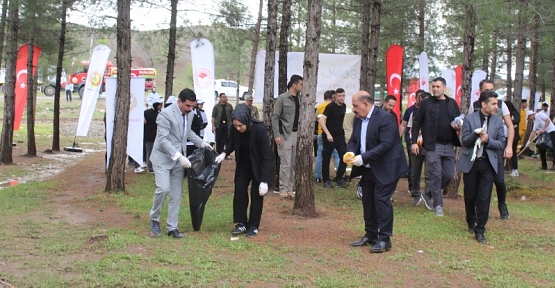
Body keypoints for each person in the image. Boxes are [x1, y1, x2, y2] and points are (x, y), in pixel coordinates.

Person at [148, 88, 212, 239]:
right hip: (163, 157)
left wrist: (202, 143)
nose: (191, 109)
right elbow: (163, 140)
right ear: (179, 101)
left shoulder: (189, 114)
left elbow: (188, 132)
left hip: (178, 159)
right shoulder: (165, 114)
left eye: (192, 106)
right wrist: (179, 156)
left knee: (176, 195)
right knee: (163, 189)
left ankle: (172, 227)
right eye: (188, 106)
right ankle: (154, 219)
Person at [348, 91, 407, 253]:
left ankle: (385, 238)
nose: (353, 109)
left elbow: (386, 145)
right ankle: (371, 234)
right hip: (368, 168)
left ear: (366, 104)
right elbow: (354, 140)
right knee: (368, 200)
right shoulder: (358, 119)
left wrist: (364, 157)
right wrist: (351, 153)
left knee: (381, 199)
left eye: (355, 106)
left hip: (387, 167)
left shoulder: (386, 118)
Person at [214, 104, 271, 237]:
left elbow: (266, 157)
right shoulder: (234, 129)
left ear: (247, 120)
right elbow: (232, 143)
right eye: (235, 126)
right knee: (239, 191)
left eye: (241, 126)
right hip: (243, 165)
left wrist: (265, 180)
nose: (238, 128)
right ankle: (241, 223)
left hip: (257, 166)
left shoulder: (259, 129)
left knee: (257, 195)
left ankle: (254, 225)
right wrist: (224, 153)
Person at [457, 90, 506, 244]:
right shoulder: (470, 119)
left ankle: (480, 229)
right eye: (493, 104)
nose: (496, 107)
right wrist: (476, 135)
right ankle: (471, 221)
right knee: (470, 195)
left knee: (484, 197)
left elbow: (501, 143)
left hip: (488, 163)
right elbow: (464, 141)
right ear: (484, 104)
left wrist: (488, 140)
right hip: (472, 163)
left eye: (496, 104)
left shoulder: (498, 122)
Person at [411, 77, 462, 216]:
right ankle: (438, 205)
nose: (435, 89)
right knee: (436, 174)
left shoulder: (452, 103)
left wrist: (458, 126)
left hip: (449, 144)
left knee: (449, 175)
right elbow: (416, 123)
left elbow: (458, 121)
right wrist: (414, 142)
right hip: (432, 145)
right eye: (433, 86)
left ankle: (428, 193)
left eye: (438, 86)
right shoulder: (426, 103)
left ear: (444, 88)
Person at [472, 79, 513, 220]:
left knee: (499, 180)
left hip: (496, 147)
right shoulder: (475, 105)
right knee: (479, 182)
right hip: (480, 150)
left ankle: (502, 204)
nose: (489, 91)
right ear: (480, 91)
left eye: (491, 89)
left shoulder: (501, 105)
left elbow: (510, 126)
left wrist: (509, 146)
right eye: (486, 89)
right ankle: (480, 210)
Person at [271, 74, 303, 199]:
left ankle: (290, 188)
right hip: (285, 134)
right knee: (285, 163)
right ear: (294, 84)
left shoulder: (301, 99)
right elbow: (275, 117)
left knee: (294, 163)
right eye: (300, 84)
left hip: (297, 134)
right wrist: (277, 135)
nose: (302, 86)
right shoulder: (283, 98)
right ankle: (283, 188)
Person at [319, 88, 349, 188]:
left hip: (340, 136)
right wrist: (327, 134)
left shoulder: (344, 106)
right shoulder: (330, 106)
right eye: (340, 96)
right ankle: (326, 180)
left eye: (343, 96)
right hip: (329, 136)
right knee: (326, 158)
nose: (342, 98)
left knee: (345, 157)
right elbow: (321, 120)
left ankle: (339, 177)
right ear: (335, 97)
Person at [399, 90, 425, 205]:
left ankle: (427, 193)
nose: (421, 100)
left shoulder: (432, 110)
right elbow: (404, 125)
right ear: (416, 98)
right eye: (419, 98)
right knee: (413, 166)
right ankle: (413, 190)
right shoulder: (411, 111)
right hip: (412, 141)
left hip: (427, 144)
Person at [315, 90, 340, 183]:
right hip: (332, 134)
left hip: (321, 133)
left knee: (320, 155)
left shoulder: (319, 107)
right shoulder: (334, 107)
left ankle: (318, 176)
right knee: (336, 154)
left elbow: (316, 119)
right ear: (333, 97)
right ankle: (339, 175)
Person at [144, 94, 164, 173]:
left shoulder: (161, 113)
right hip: (150, 136)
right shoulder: (147, 113)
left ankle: (156, 165)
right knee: (150, 151)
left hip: (158, 136)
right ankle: (150, 167)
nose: (161, 106)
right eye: (160, 104)